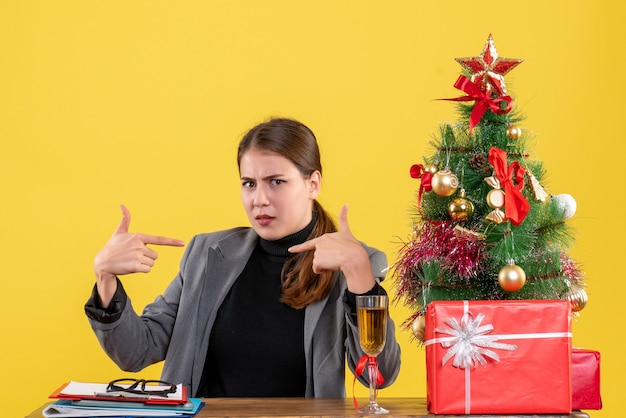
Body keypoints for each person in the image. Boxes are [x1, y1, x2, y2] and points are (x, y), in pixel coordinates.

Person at [85, 117, 401, 398]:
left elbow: (379, 376)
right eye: (249, 184)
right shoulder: (207, 254)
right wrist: (105, 278)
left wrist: (361, 281)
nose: (259, 200)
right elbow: (137, 351)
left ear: (312, 184)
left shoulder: (354, 262)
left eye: (276, 182)